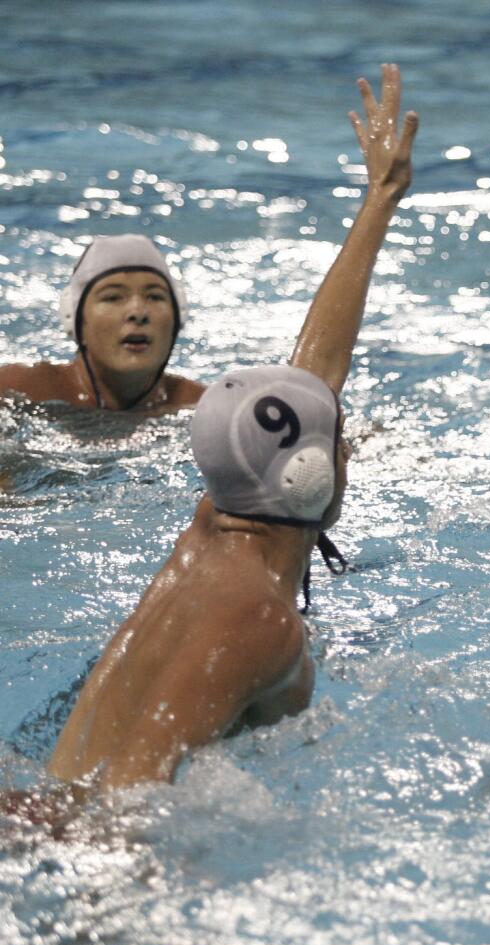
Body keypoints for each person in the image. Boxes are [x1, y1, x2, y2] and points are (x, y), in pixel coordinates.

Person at [38, 63, 418, 795]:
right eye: (336, 445)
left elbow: (313, 374)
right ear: (309, 475)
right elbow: (128, 799)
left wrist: (382, 200)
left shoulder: (216, 528)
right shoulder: (259, 618)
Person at [0, 234, 202, 413]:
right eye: (113, 297)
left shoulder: (202, 407)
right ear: (75, 318)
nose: (138, 312)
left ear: (178, 316)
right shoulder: (18, 390)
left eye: (155, 296)